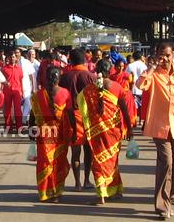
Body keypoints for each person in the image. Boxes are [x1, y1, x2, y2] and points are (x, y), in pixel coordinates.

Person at [136, 41, 174, 220]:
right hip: (160, 127)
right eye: (162, 55)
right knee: (166, 163)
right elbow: (140, 85)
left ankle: (169, 200)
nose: (165, 59)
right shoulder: (153, 75)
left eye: (168, 55)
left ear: (173, 55)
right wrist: (151, 67)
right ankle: (161, 206)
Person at [77, 59, 134, 205]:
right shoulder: (117, 87)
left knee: (99, 161)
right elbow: (125, 111)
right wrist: (130, 129)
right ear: (111, 71)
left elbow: (80, 102)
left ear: (97, 72)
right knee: (112, 161)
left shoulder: (88, 89)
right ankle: (114, 190)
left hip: (96, 132)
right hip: (114, 132)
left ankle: (102, 194)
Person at [28, 66, 73, 202]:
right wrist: (75, 131)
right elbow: (70, 114)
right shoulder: (65, 93)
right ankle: (56, 192)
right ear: (59, 78)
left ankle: (44, 193)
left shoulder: (37, 95)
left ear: (46, 78)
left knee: (44, 162)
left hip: (43, 135)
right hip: (60, 135)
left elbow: (32, 115)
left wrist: (30, 128)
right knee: (58, 163)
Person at [59, 48, 97, 191]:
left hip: (71, 117)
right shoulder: (90, 76)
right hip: (88, 117)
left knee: (75, 152)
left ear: (71, 60)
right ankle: (87, 180)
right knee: (89, 151)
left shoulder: (64, 77)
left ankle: (77, 183)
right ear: (85, 60)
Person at [1, 52, 24, 133]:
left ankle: (19, 127)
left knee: (18, 109)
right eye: (11, 57)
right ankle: (8, 126)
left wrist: (22, 91)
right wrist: (0, 90)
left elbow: (21, 80)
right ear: (8, 58)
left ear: (16, 58)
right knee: (7, 109)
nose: (12, 58)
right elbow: (1, 81)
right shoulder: (4, 69)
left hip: (17, 91)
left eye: (13, 57)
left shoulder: (19, 69)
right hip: (7, 91)